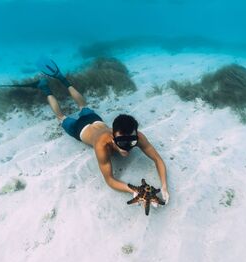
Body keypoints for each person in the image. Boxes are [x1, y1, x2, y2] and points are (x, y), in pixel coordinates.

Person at [35, 58, 170, 204]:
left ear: (135, 134)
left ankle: (62, 78)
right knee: (61, 117)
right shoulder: (102, 145)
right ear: (113, 137)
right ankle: (46, 88)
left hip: (96, 120)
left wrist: (164, 186)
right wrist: (134, 190)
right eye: (121, 142)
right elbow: (110, 180)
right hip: (80, 129)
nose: (127, 147)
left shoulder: (138, 137)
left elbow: (158, 159)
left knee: (83, 105)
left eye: (131, 142)